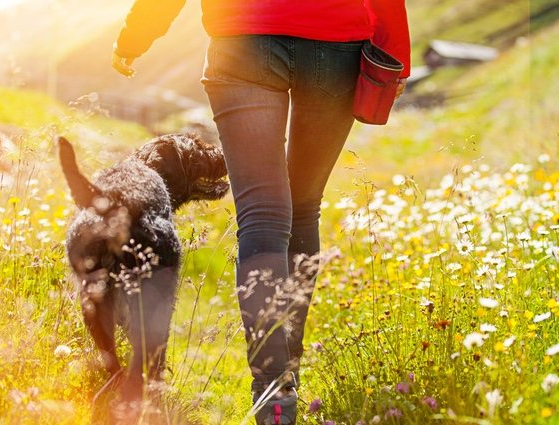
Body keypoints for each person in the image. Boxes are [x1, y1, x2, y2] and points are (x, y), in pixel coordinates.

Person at [113, 1, 410, 423]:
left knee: (262, 216)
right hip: (335, 42)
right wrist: (396, 54)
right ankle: (287, 369)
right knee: (303, 208)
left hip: (242, 38)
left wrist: (135, 37)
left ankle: (274, 396)